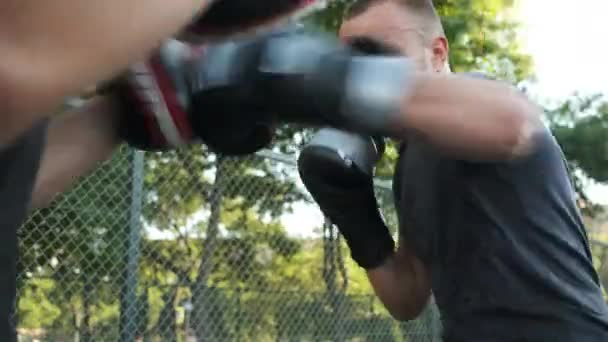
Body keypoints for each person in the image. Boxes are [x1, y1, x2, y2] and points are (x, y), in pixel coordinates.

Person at [297, 0, 608, 341]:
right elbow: (407, 296)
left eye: (378, 56)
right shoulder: (410, 164)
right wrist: (358, 219)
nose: (364, 75)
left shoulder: (484, 103)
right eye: (353, 63)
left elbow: (511, 122)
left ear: (438, 53)